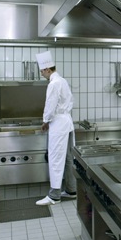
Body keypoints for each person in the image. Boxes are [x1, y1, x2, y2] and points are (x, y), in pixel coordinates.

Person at [35, 50, 77, 206]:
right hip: (67, 122)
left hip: (58, 124)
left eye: (42, 71)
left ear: (47, 69)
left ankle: (54, 196)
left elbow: (50, 105)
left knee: (55, 158)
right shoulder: (63, 81)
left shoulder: (53, 84)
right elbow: (70, 101)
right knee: (68, 158)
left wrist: (45, 121)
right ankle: (71, 190)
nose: (41, 74)